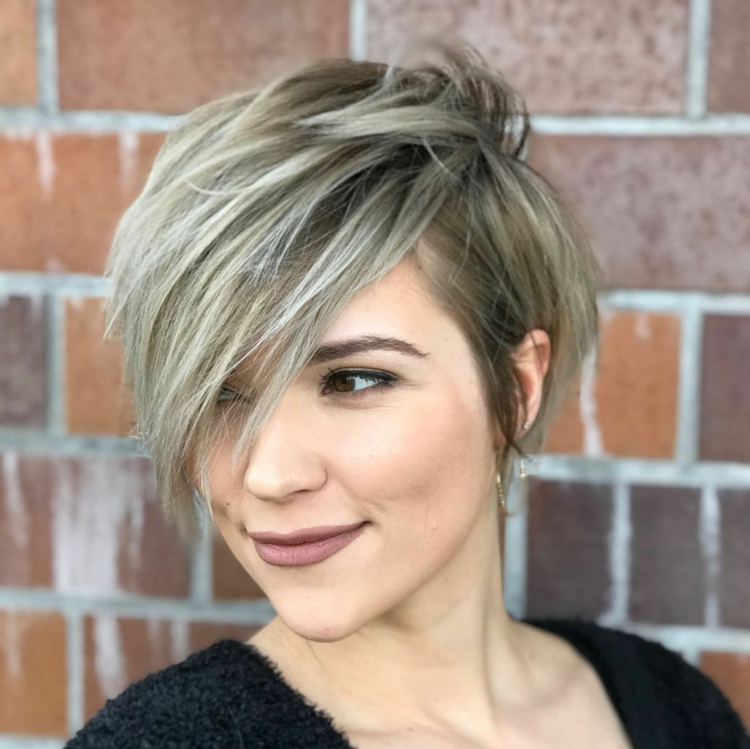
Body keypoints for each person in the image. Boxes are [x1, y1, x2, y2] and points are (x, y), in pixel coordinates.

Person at [65, 45, 749, 748]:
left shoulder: (671, 706)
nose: (268, 475)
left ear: (516, 388)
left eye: (352, 379)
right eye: (219, 393)